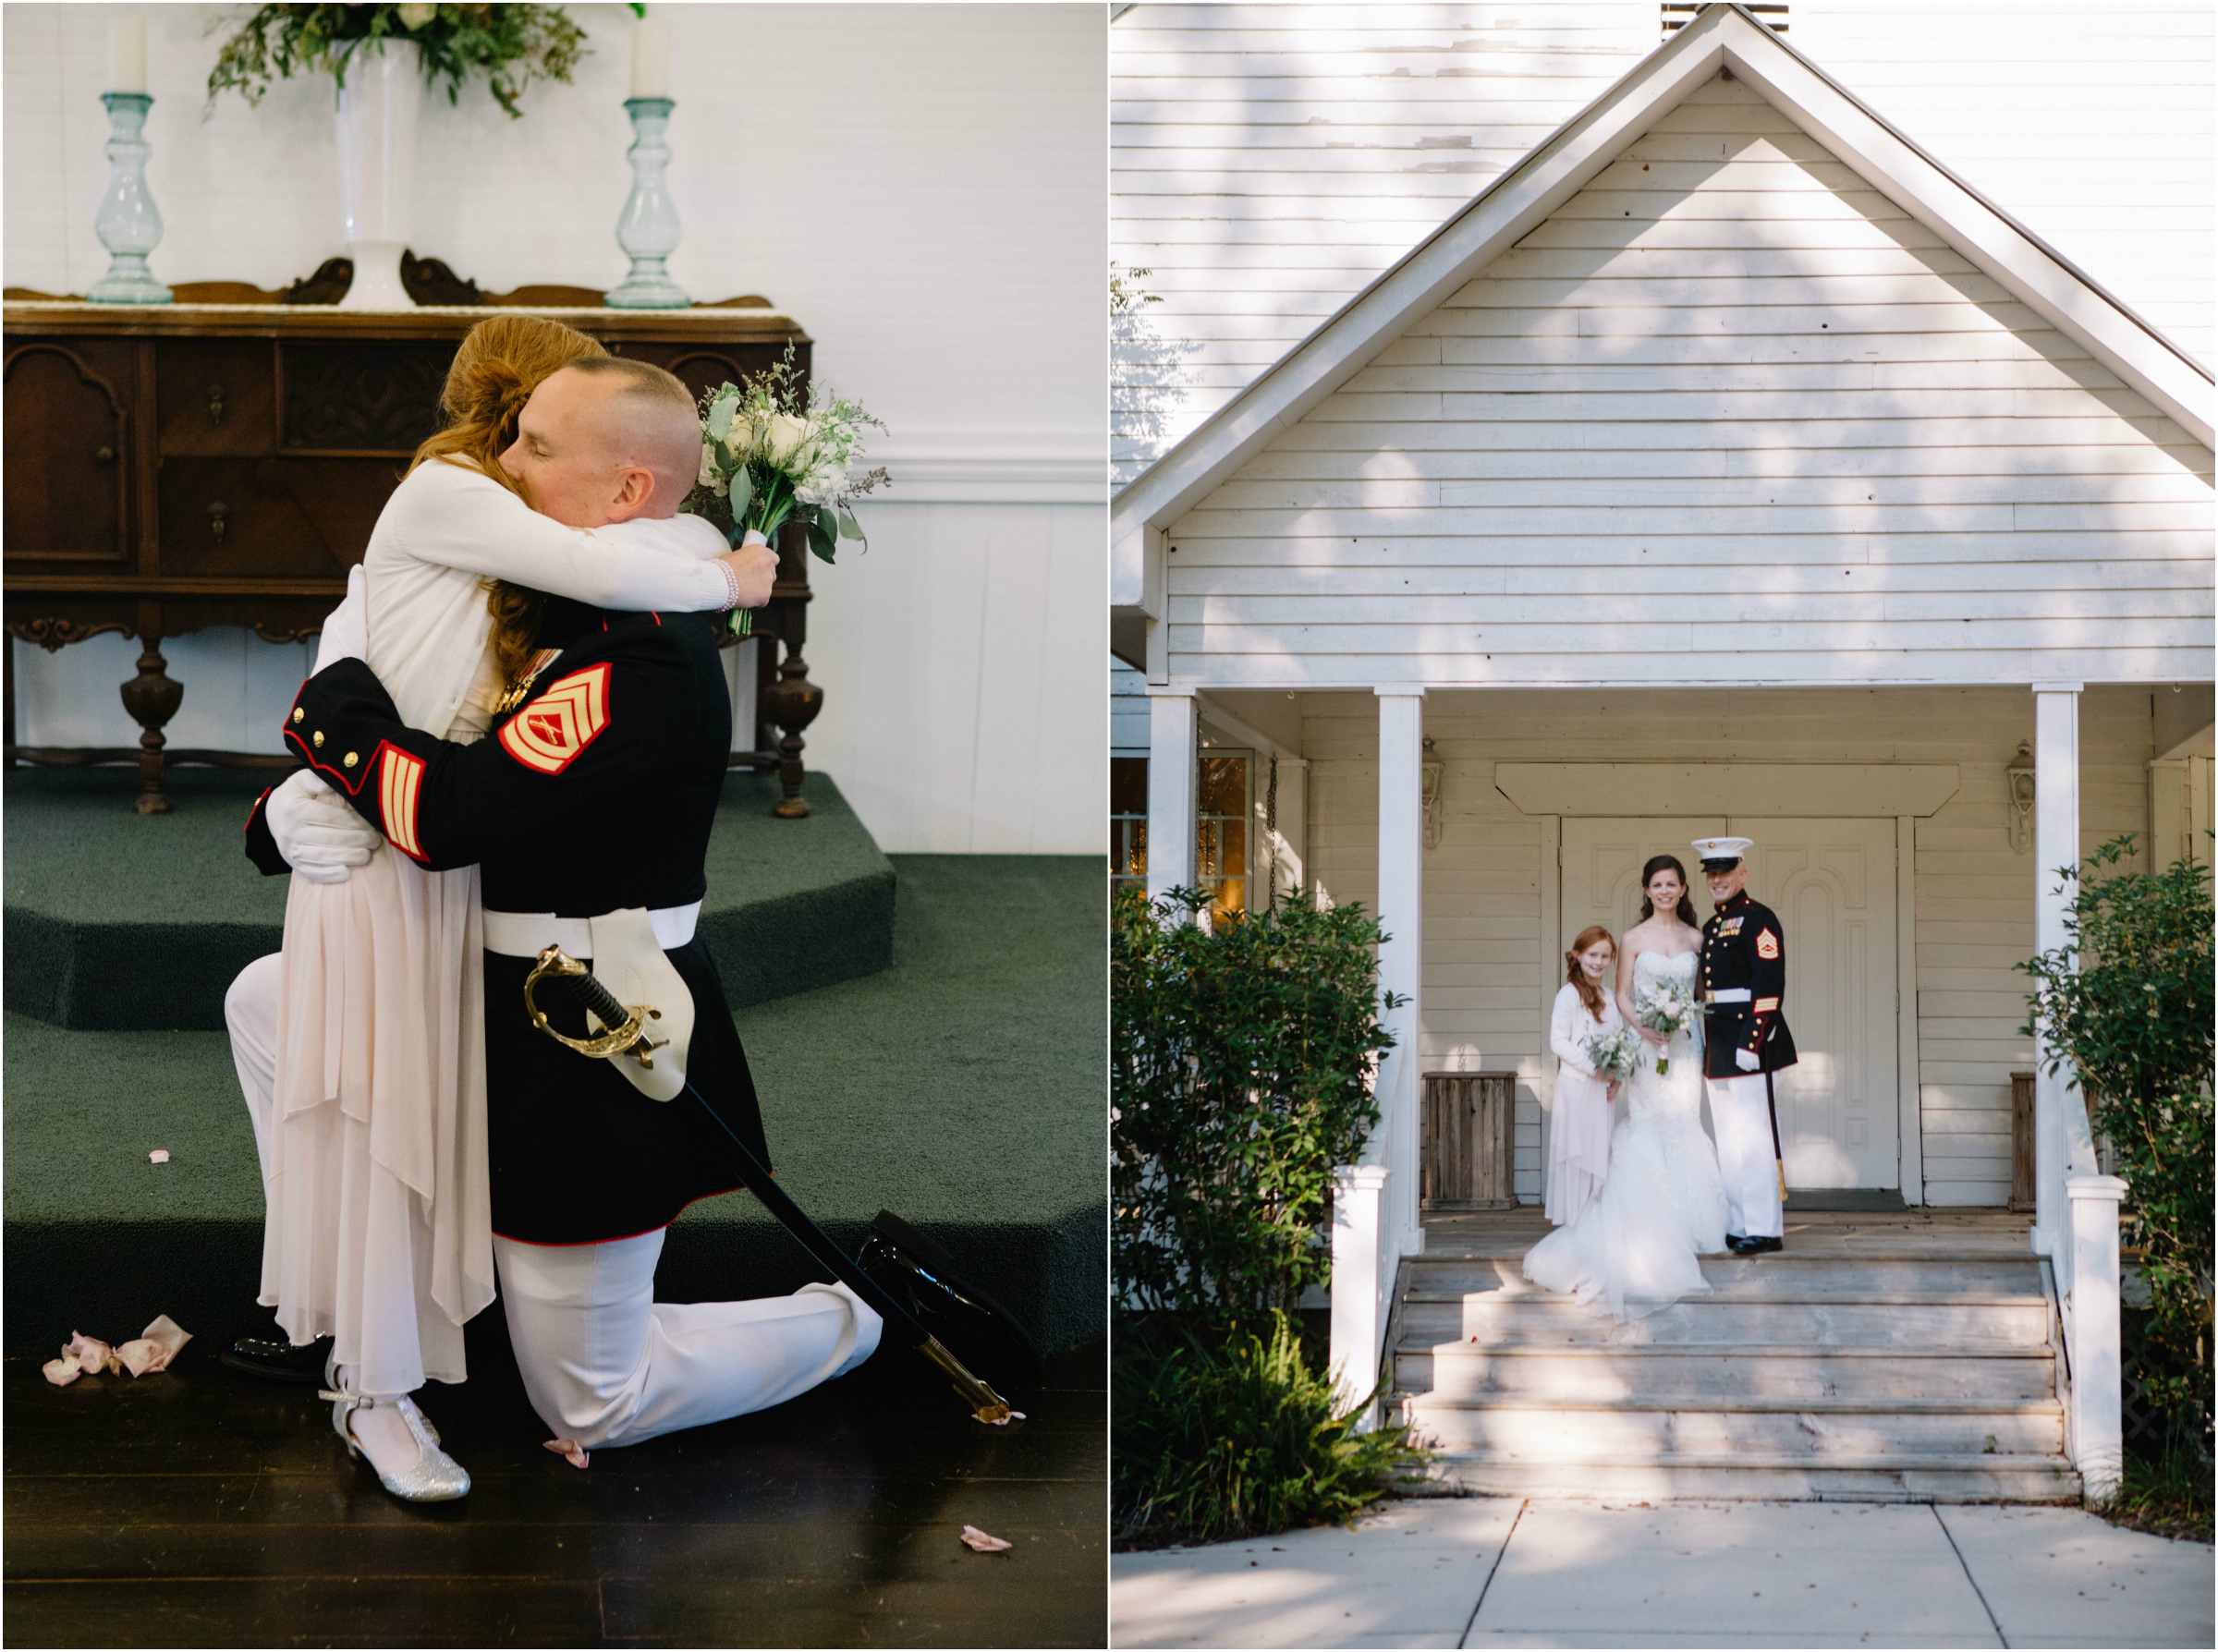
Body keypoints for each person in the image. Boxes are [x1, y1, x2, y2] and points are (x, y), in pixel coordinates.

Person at [265, 354, 886, 1473]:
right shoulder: (545, 598)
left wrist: (331, 706)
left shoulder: (640, 656)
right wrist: (286, 815)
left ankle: (859, 1318)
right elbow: (431, 727)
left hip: (583, 1031)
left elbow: (446, 813)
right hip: (473, 992)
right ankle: (369, 1325)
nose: (501, 462)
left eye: (537, 447)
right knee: (267, 1006)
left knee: (594, 1402)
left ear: (628, 492)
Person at [1522, 856, 1727, 1320]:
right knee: (1647, 1125)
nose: (1664, 891)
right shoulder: (1633, 939)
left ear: (1683, 888)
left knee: (1684, 1123)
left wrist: (1680, 1024)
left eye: (1672, 884)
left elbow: (1700, 996)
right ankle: (1647, 1224)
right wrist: (1647, 1030)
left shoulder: (1698, 938)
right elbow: (1621, 996)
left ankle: (1689, 1223)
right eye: (1657, 884)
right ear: (1647, 889)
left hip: (1684, 1049)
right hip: (1645, 1043)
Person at [1692, 835, 1798, 1256]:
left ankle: (1765, 1227)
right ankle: (1738, 1224)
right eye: (1711, 874)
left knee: (1754, 1138)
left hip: (1749, 1040)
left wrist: (1754, 1039)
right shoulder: (1712, 925)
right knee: (1729, 1140)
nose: (1717, 880)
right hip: (1718, 1040)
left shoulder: (1760, 919)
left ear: (1743, 873)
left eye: (1725, 872)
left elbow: (1769, 984)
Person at [1543, 926, 1621, 1227]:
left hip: (1602, 1090)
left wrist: (1617, 1078)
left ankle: (1593, 1219)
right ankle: (1574, 1220)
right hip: (1577, 1087)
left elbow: (1616, 1041)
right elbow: (1558, 1042)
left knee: (1598, 1150)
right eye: (1592, 954)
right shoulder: (1569, 994)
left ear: (1612, 959)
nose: (1598, 962)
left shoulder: (1610, 997)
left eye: (1604, 956)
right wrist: (1593, 1068)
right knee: (1579, 1152)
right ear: (1578, 955)